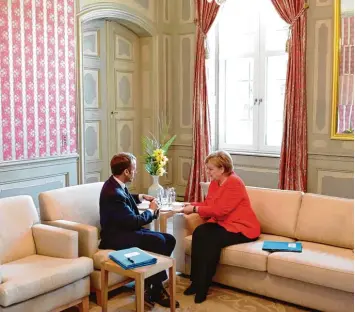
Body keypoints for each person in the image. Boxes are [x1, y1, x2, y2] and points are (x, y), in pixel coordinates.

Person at [99, 152, 179, 308]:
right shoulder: (112, 192)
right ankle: (156, 289)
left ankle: (151, 284)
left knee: (169, 239)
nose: (136, 172)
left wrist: (141, 197)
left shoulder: (115, 184)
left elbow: (126, 197)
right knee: (158, 241)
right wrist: (151, 211)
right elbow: (133, 222)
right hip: (116, 237)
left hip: (125, 231)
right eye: (134, 169)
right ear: (126, 172)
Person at [181, 150, 261, 304]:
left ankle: (203, 286)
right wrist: (192, 204)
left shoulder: (234, 183)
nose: (208, 172)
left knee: (210, 239)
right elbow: (209, 205)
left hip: (243, 228)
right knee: (199, 232)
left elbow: (220, 210)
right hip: (224, 224)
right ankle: (196, 282)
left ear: (222, 169)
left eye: (210, 169)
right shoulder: (214, 183)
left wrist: (195, 209)